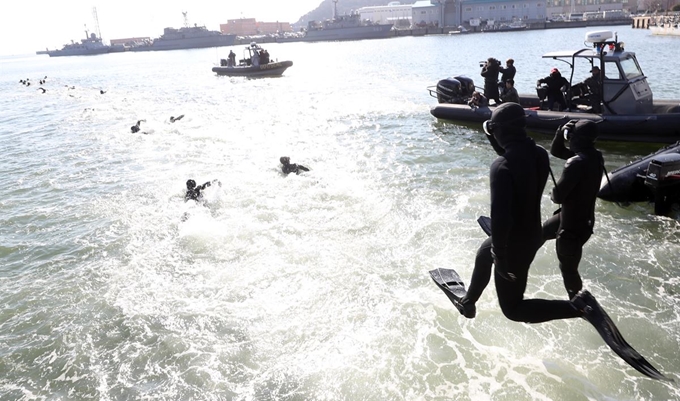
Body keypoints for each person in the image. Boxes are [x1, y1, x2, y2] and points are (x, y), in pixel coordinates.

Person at [457, 103, 582, 323]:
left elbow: (501, 217)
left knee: (513, 309)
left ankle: (580, 308)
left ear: (500, 130)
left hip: (513, 243)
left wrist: (501, 256)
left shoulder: (501, 167)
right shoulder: (540, 155)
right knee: (483, 254)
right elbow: (515, 153)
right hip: (533, 234)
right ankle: (469, 302)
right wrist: (492, 132)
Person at [541, 119, 603, 299]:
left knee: (568, 271)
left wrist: (553, 193)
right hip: (582, 221)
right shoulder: (595, 156)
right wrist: (560, 134)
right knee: (542, 232)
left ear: (575, 138)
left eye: (570, 136)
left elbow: (557, 197)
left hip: (570, 230)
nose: (569, 140)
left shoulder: (575, 163)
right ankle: (517, 255)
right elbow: (557, 151)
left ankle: (580, 304)